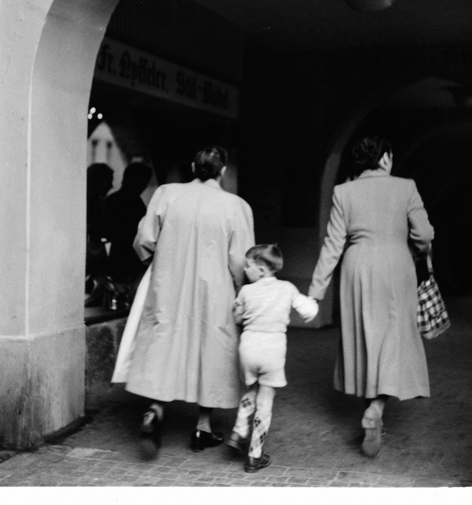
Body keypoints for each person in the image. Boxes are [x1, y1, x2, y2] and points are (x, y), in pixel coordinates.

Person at [123, 146, 255, 457]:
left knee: (163, 342)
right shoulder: (235, 206)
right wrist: (240, 287)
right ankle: (203, 428)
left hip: (169, 282)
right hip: (216, 288)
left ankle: (154, 410)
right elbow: (240, 259)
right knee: (211, 348)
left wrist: (155, 264)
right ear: (223, 171)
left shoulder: (167, 193)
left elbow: (144, 239)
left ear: (194, 166)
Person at [307, 136, 434, 458]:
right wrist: (420, 250)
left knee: (364, 339)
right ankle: (376, 410)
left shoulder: (343, 192)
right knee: (393, 339)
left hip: (357, 267)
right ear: (386, 158)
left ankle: (371, 410)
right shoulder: (405, 187)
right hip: (395, 265)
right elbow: (424, 234)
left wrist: (315, 293)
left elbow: (333, 244)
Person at [227, 244, 318, 473]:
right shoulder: (287, 288)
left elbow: (237, 317)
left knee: (249, 390)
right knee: (265, 403)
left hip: (249, 347)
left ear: (260, 270)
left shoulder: (246, 291)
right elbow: (308, 311)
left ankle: (239, 429)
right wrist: (312, 303)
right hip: (273, 350)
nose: (245, 270)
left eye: (247, 266)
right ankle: (254, 455)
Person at [103, 161, 153, 307]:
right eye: (142, 182)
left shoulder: (115, 200)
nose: (143, 186)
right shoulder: (135, 203)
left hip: (125, 256)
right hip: (125, 256)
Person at [84, 163, 114, 308]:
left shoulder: (95, 201)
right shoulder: (90, 203)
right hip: (92, 251)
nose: (111, 186)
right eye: (109, 181)